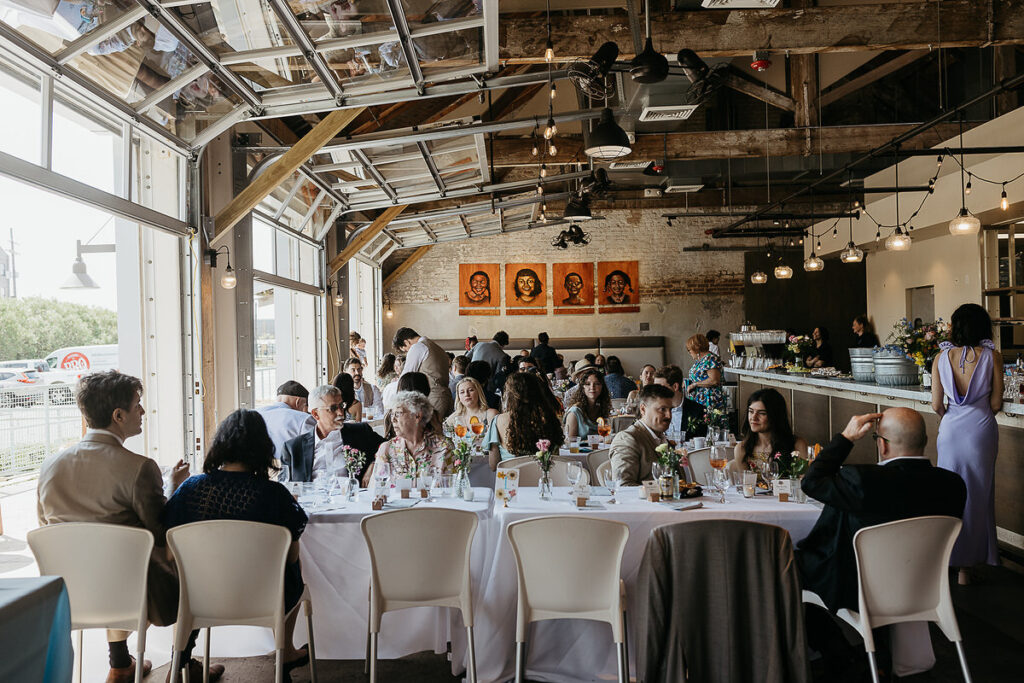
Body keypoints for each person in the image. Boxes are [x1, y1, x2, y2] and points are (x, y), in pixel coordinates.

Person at [36, 371, 209, 682]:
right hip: (132, 591)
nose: (142, 411)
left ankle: (120, 664)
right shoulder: (139, 468)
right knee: (199, 571)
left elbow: (46, 529)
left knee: (105, 558)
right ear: (118, 415)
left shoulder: (50, 466)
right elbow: (159, 534)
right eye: (137, 405)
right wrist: (171, 489)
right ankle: (183, 666)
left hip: (70, 590)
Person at [163, 410, 309, 677]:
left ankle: (180, 655)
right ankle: (285, 652)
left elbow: (171, 555)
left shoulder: (191, 489)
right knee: (294, 567)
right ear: (262, 448)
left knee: (189, 575)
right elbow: (290, 558)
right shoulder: (275, 495)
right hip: (266, 597)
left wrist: (173, 487)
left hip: (200, 598)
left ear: (219, 445)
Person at [796, 409, 967, 614]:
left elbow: (811, 481)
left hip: (859, 591)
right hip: (922, 590)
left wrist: (847, 437)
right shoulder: (954, 485)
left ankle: (831, 644)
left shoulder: (862, 481)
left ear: (882, 444)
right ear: (925, 440)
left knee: (784, 562)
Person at [932, 303, 1003, 583]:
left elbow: (937, 404)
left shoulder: (941, 357)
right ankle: (966, 569)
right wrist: (979, 412)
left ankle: (946, 557)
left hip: (949, 430)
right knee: (977, 495)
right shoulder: (992, 356)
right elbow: (996, 402)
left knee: (949, 492)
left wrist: (953, 416)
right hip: (981, 430)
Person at [281, 385, 383, 482]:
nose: (341, 413)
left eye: (341, 406)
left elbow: (391, 446)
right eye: (333, 408)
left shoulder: (360, 432)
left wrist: (374, 464)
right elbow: (284, 487)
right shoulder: (293, 448)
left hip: (353, 497)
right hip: (313, 498)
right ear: (315, 414)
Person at [484, 372, 564, 469]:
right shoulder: (550, 418)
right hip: (545, 478)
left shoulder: (498, 420)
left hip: (512, 480)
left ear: (509, 395)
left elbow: (493, 465)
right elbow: (556, 460)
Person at [367, 391, 451, 484]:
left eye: (398, 413)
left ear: (417, 416)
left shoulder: (443, 447)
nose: (393, 420)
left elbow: (452, 490)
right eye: (392, 414)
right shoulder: (387, 449)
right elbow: (376, 490)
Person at [732, 388, 809, 478]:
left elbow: (804, 484)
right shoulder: (742, 449)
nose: (754, 417)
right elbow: (746, 487)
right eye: (751, 411)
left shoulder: (797, 445)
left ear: (775, 416)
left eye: (762, 413)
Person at [609, 383, 676, 485]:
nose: (669, 415)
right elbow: (624, 487)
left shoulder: (662, 438)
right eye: (662, 409)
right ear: (643, 409)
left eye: (670, 409)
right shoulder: (627, 439)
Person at [394, 327, 454, 418]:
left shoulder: (418, 347)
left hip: (433, 398)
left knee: (430, 430)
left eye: (406, 350)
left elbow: (406, 376)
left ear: (407, 342)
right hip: (446, 397)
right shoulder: (438, 348)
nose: (407, 352)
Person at [254, 380, 315, 460]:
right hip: (287, 470)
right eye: (304, 405)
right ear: (298, 401)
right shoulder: (303, 419)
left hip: (256, 469)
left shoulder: (254, 413)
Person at [444, 377, 499, 441]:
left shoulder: (491, 414)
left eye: (470, 390)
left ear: (478, 392)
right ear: (458, 397)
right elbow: (444, 438)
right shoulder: (455, 418)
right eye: (462, 392)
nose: (466, 394)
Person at [564, 368, 612, 440]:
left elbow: (606, 436)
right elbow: (571, 442)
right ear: (583, 388)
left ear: (602, 387)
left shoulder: (601, 408)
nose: (592, 387)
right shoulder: (574, 412)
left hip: (600, 450)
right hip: (580, 451)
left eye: (597, 384)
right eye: (588, 384)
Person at [685, 334, 726, 416]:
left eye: (689, 350)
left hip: (709, 401)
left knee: (711, 426)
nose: (689, 352)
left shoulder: (711, 358)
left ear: (696, 348)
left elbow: (714, 380)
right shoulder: (700, 360)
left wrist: (695, 385)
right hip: (699, 402)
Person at [653, 365, 686, 435]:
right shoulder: (653, 409)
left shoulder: (698, 411)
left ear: (675, 387)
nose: (656, 392)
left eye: (660, 387)